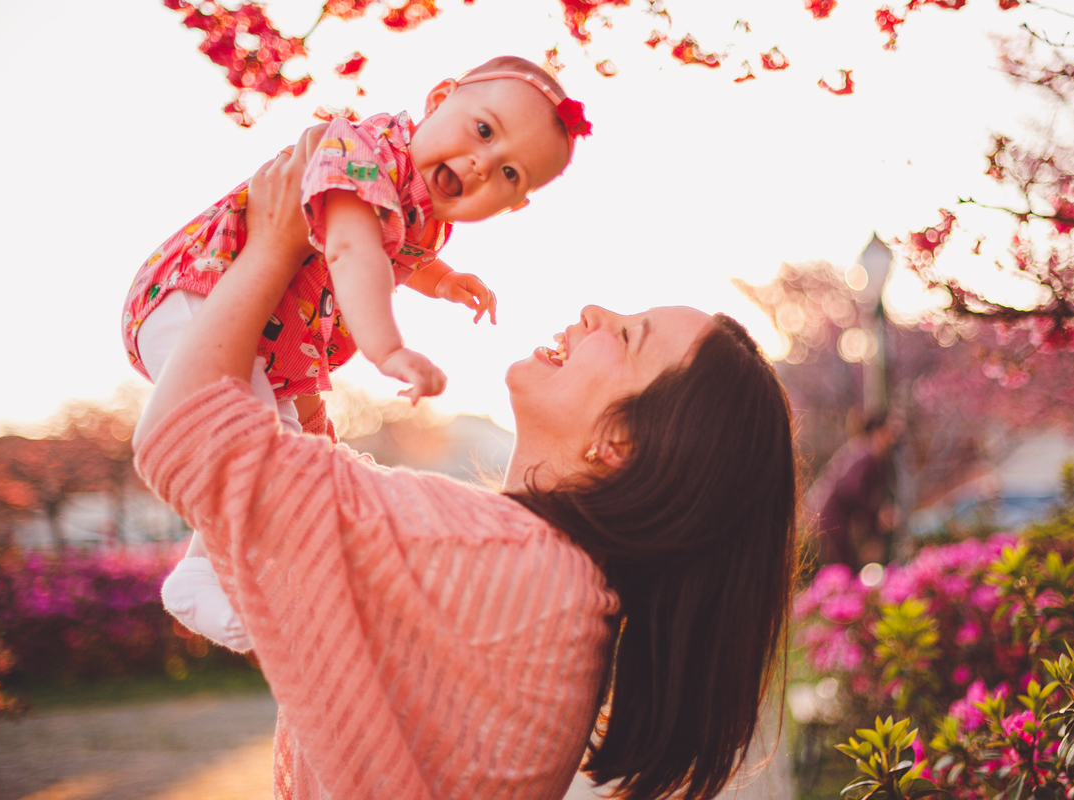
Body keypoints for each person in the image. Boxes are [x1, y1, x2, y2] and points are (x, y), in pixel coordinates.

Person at [131, 129, 799, 800]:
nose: (596, 312)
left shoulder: (512, 559)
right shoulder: (549, 582)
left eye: (627, 336)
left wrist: (274, 247)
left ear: (622, 444)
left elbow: (187, 435)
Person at [124, 55, 590, 650]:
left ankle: (204, 571)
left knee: (286, 449)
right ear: (439, 96)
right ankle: (210, 573)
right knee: (259, 440)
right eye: (483, 131)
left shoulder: (420, 212)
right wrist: (388, 349)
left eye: (508, 174)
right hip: (200, 292)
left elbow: (400, 254)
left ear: (512, 206)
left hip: (260, 336)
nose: (481, 163)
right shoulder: (360, 150)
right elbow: (352, 249)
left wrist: (444, 281)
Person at [807, 410, 898, 571]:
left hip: (829, 516)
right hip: (832, 518)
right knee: (843, 569)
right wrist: (876, 514)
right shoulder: (866, 456)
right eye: (888, 430)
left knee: (844, 567)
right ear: (878, 431)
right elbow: (850, 489)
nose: (893, 436)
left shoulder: (862, 452)